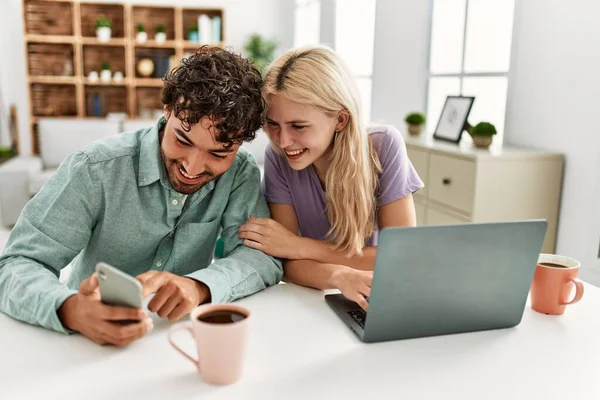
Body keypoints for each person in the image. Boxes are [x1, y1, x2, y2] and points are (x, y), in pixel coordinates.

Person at [0, 46, 282, 346]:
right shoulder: (94, 168)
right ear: (167, 110)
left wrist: (200, 285)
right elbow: (16, 264)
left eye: (218, 154)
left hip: (176, 341)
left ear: (240, 144)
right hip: (84, 342)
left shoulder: (239, 173)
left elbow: (261, 257)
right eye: (182, 140)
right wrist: (70, 309)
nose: (192, 167)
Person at [238, 45, 423, 311]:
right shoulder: (278, 157)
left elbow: (402, 257)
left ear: (340, 119)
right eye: (273, 125)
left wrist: (300, 246)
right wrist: (339, 275)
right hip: (315, 298)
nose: (283, 141)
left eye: (298, 126)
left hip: (377, 296)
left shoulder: (383, 146)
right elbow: (288, 263)